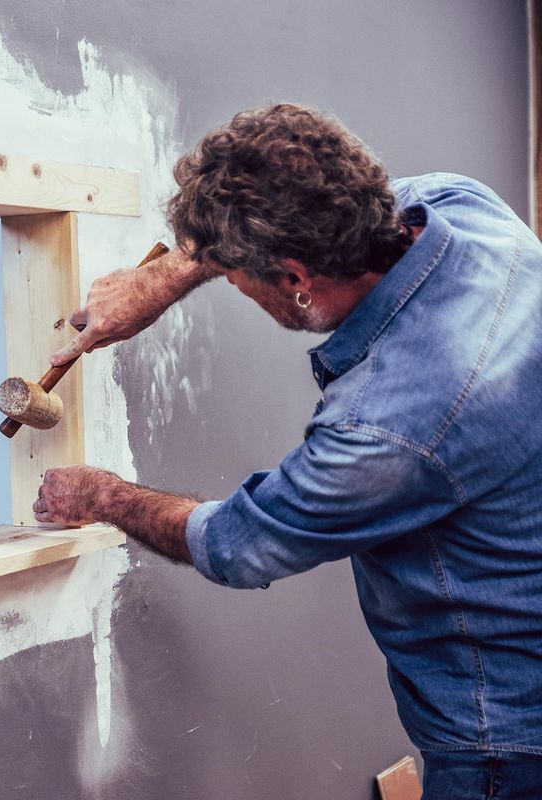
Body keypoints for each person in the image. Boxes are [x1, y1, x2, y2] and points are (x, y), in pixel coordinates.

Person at [33, 103, 542, 799]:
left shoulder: (387, 428)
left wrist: (101, 494)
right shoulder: (461, 209)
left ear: (297, 281)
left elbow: (238, 544)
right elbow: (292, 194)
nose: (236, 286)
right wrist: (158, 279)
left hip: (509, 744)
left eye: (240, 278)